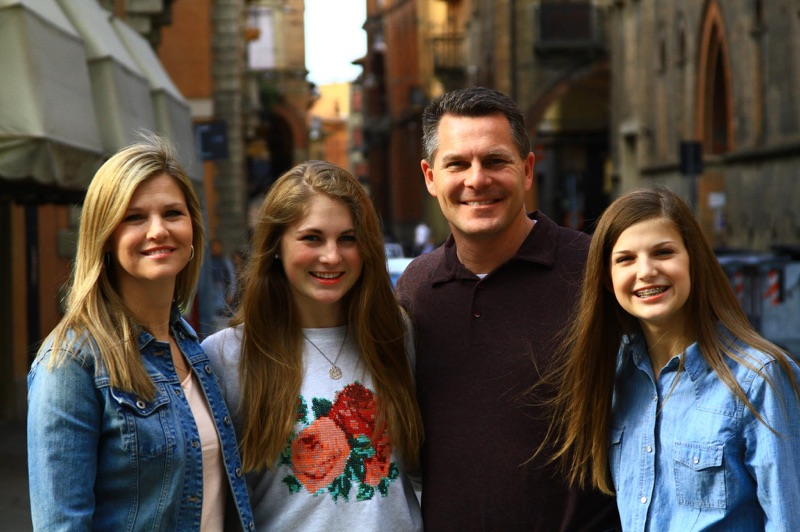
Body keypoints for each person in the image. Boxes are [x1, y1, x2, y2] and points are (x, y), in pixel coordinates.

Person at [395, 86, 619, 529]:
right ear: (430, 177)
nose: (477, 180)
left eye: (495, 161)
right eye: (457, 163)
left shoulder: (596, 270)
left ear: (528, 169)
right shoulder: (415, 289)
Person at [27, 136, 254, 530]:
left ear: (193, 227)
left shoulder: (191, 346)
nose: (157, 231)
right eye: (134, 217)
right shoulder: (71, 362)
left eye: (172, 213)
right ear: (106, 236)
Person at [542, 186, 800, 530]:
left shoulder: (760, 379)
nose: (646, 271)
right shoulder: (613, 377)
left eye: (663, 252)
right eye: (626, 259)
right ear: (607, 278)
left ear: (693, 260)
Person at [201, 160, 424, 531]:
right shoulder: (225, 356)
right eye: (312, 238)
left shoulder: (395, 334)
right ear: (276, 246)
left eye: (348, 238)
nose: (332, 256)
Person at [210, 238, 237, 332]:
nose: (215, 249)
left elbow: (231, 276)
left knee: (221, 312)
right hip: (210, 290)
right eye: (213, 247)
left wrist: (231, 293)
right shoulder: (208, 261)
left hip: (221, 288)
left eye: (217, 246)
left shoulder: (224, 261)